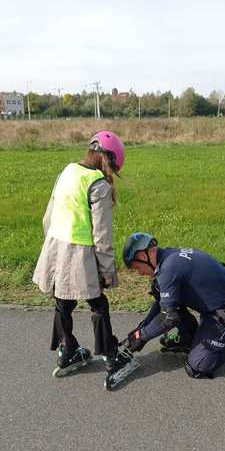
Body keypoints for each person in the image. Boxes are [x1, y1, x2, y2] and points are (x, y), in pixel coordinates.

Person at [33, 131, 139, 389]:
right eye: (113, 167)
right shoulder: (99, 184)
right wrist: (107, 272)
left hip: (55, 245)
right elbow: (102, 235)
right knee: (98, 304)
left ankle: (67, 349)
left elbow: (48, 216)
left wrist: (52, 248)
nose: (112, 173)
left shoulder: (67, 171)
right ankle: (111, 357)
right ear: (109, 160)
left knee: (63, 302)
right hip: (79, 253)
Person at [122, 232, 225, 379]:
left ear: (143, 257)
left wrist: (142, 336)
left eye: (136, 268)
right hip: (213, 304)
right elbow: (163, 305)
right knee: (158, 289)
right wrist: (139, 330)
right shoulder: (169, 256)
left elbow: (169, 318)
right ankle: (190, 339)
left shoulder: (168, 270)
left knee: (197, 366)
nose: (139, 273)